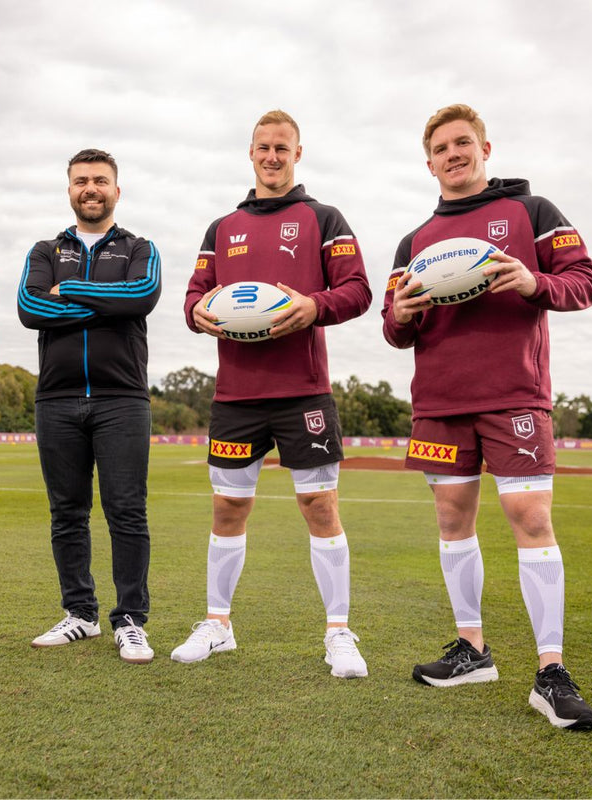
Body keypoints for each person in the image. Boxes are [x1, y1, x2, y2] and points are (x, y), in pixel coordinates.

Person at [382, 103, 592, 729]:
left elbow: (582, 281)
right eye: (441, 148)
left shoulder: (532, 214)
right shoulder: (414, 241)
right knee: (453, 519)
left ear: (485, 149)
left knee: (530, 517)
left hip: (515, 396)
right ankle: (472, 650)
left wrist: (534, 284)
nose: (453, 154)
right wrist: (400, 311)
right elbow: (397, 332)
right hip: (441, 404)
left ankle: (551, 672)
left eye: (463, 143)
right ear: (428, 163)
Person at [176, 110, 373, 678]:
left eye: (281, 147)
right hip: (236, 395)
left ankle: (338, 632)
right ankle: (218, 624)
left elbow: (357, 290)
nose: (271, 156)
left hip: (303, 392)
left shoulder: (324, 218)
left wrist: (315, 306)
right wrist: (197, 314)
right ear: (250, 153)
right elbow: (195, 295)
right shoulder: (223, 227)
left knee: (320, 507)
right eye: (262, 147)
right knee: (227, 508)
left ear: (298, 153)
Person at [17, 149, 162, 664]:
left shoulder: (141, 247)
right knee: (67, 514)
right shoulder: (44, 248)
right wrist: (104, 299)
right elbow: (29, 307)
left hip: (121, 398)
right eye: (81, 181)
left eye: (100, 180)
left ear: (116, 190)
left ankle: (130, 621)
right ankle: (81, 614)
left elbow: (141, 296)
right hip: (56, 400)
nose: (91, 188)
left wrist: (69, 292)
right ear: (70, 190)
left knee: (127, 512)